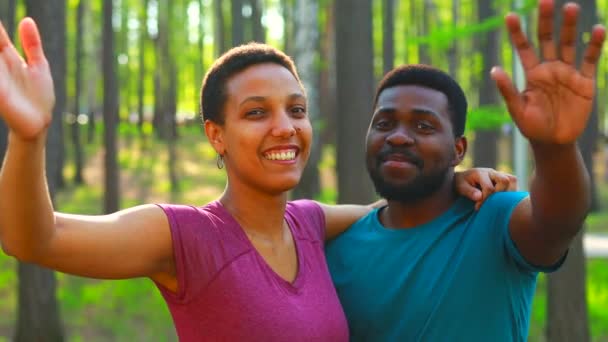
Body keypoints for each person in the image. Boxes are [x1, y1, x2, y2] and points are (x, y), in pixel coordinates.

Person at [0, 17, 515, 341]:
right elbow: (34, 238)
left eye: (296, 109)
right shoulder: (183, 237)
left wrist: (457, 176)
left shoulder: (312, 225)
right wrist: (29, 138)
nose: (285, 127)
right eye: (255, 113)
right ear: (216, 134)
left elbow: (394, 212)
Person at [326, 0, 606, 340]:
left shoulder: (493, 217)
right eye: (384, 123)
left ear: (458, 150)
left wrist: (554, 148)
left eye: (424, 126)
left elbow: (559, 219)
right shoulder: (337, 247)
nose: (398, 137)